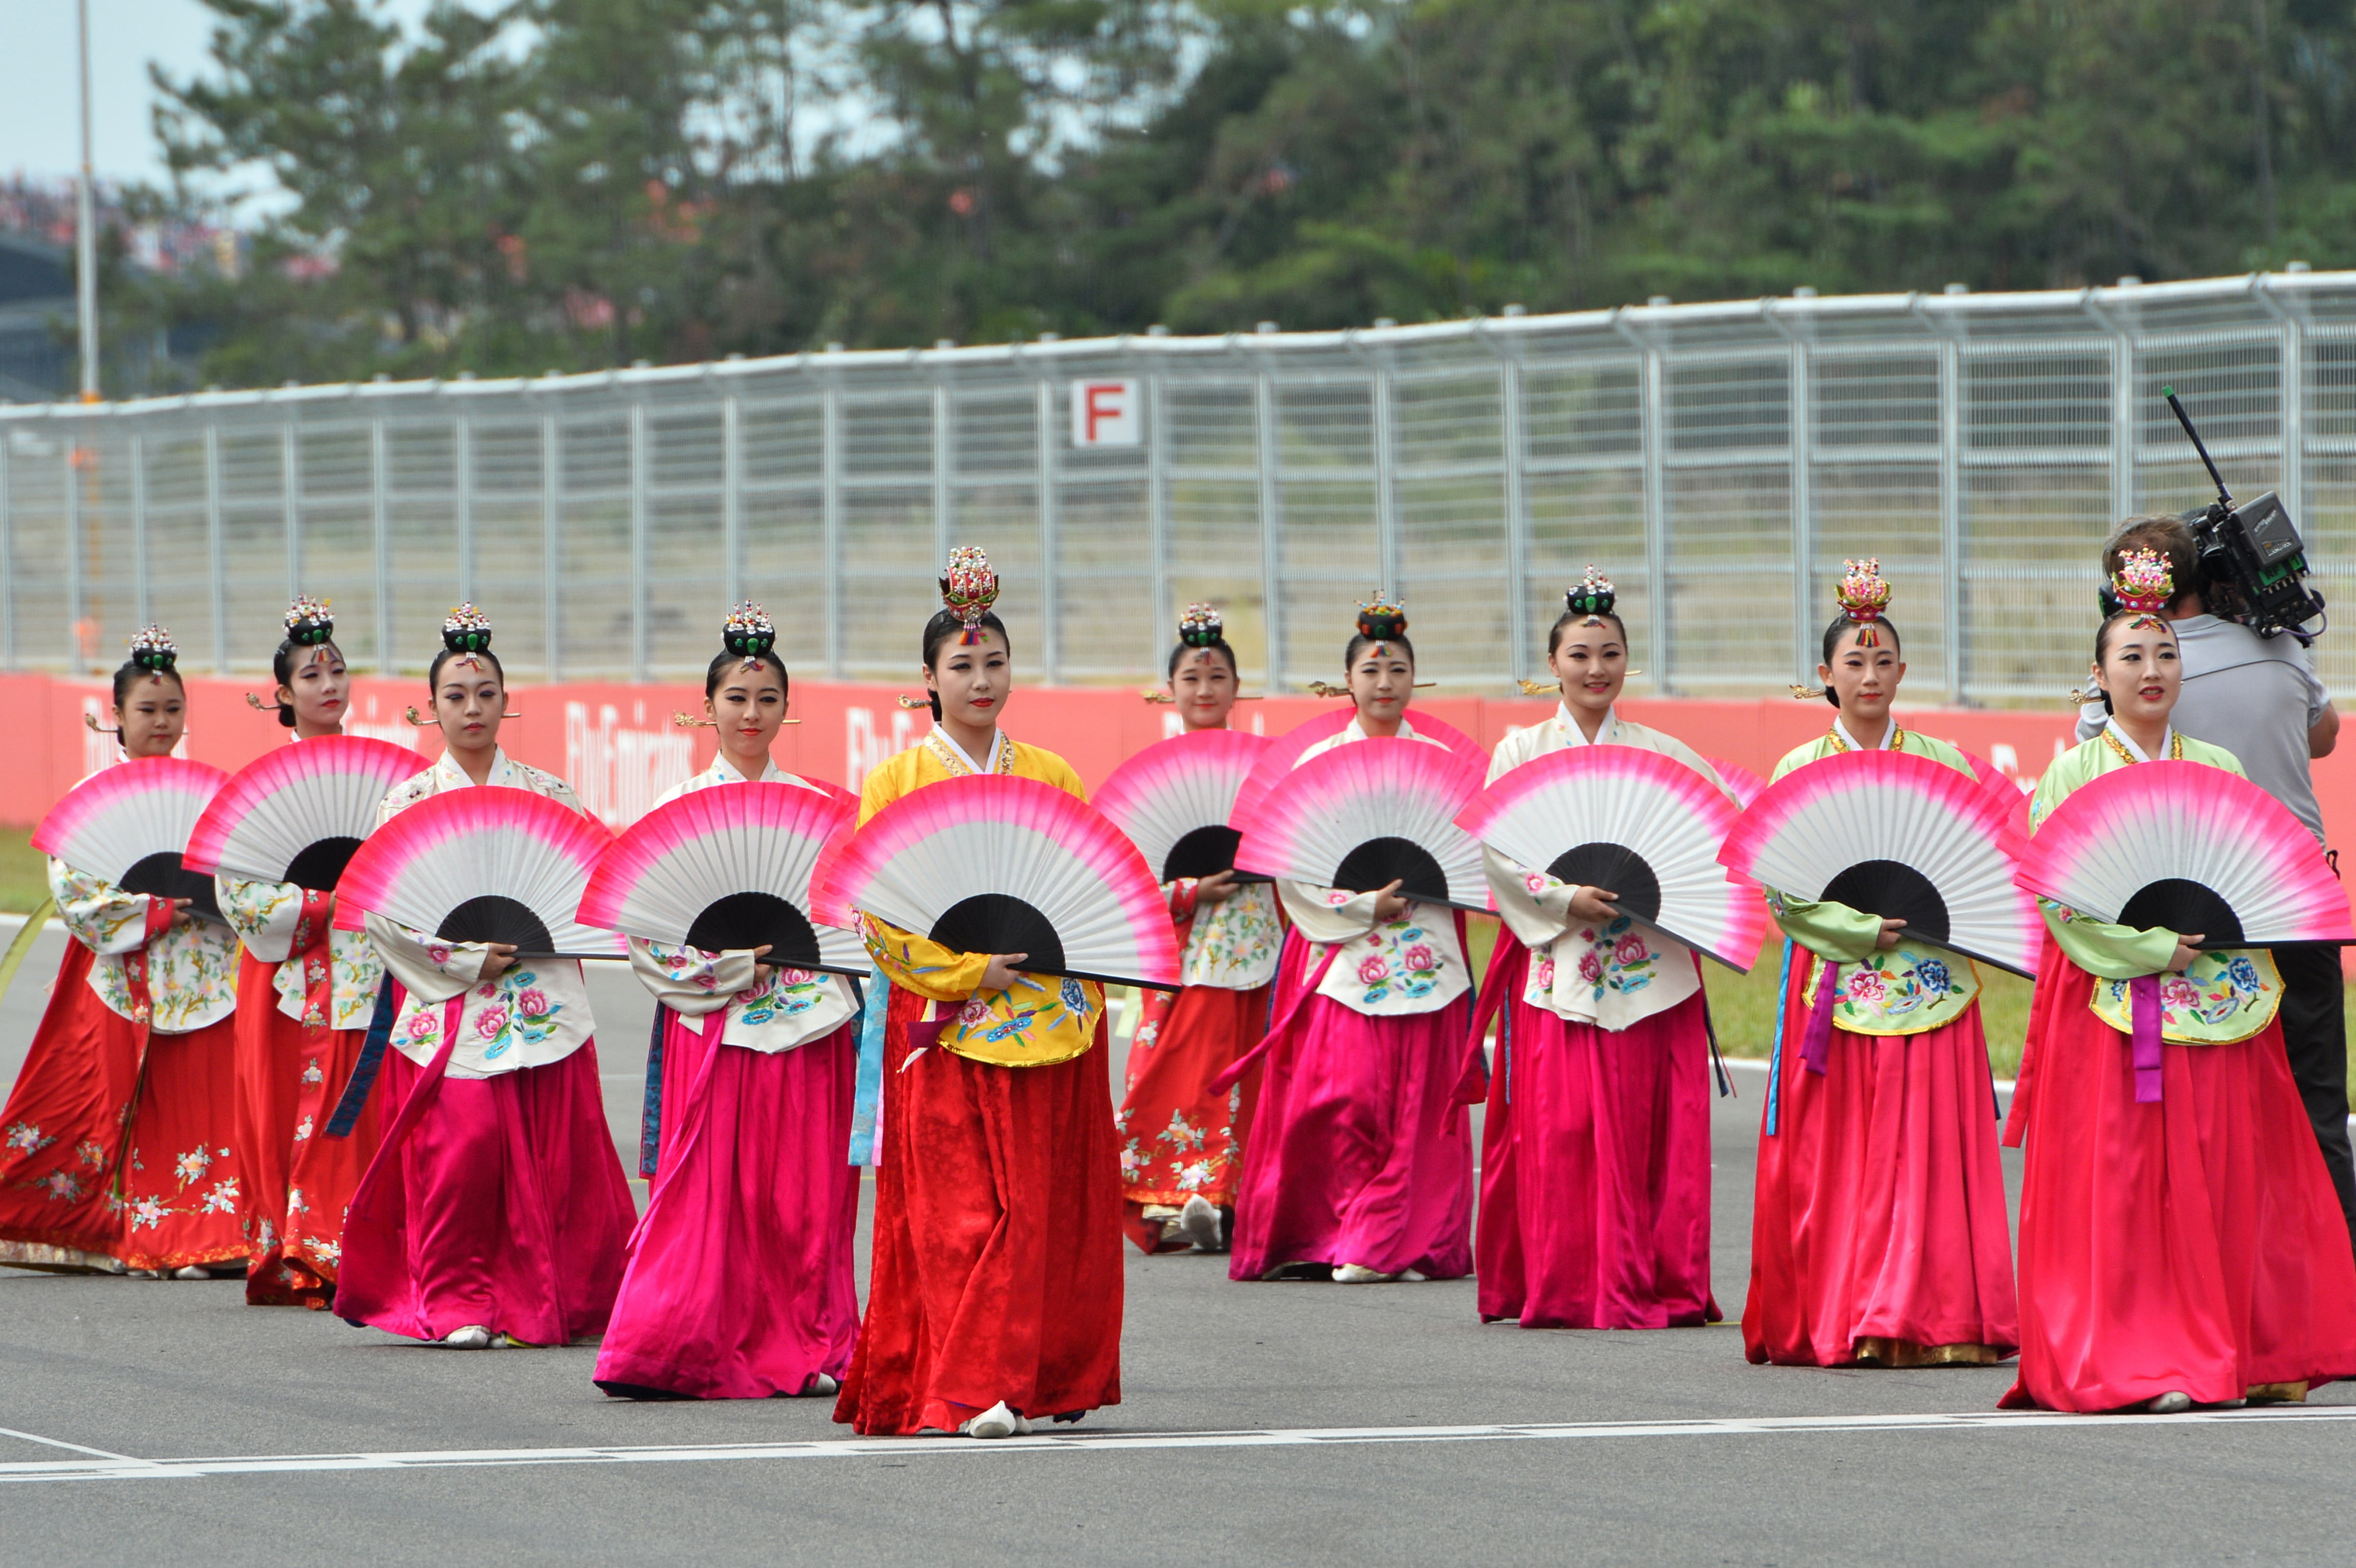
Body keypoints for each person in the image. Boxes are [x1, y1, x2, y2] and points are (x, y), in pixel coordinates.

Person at [2003, 552, 2356, 1411]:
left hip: (2221, 1003)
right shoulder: (2070, 777)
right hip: (2115, 1007)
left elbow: (2258, 881)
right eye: (2131, 655)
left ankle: (2236, 1346)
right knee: (2129, 1188)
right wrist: (2150, 951)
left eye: (2164, 654)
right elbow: (2065, 912)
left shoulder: (2218, 768)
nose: (2152, 671)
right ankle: (2142, 1358)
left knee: (2225, 1175)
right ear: (2098, 676)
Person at [833, 548, 1123, 1439]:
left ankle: (1041, 1373)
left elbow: (1091, 895)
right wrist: (967, 974)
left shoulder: (1051, 775)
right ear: (928, 679)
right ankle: (963, 1385)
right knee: (958, 1214)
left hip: (1046, 1021)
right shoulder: (895, 783)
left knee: (1040, 1208)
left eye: (994, 662)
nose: (981, 679)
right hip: (940, 1024)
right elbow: (877, 920)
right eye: (962, 665)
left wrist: (1035, 966)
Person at [334, 605, 634, 1349]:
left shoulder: (550, 795)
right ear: (429, 709)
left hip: (540, 1000)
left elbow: (592, 890)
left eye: (487, 694)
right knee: (460, 1154)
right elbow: (381, 913)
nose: (473, 708)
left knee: (552, 1153)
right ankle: (461, 1299)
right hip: (452, 1004)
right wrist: (466, 959)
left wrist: (538, 939)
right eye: (457, 697)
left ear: (507, 702)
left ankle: (554, 1298)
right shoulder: (405, 805)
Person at [1746, 561, 2018, 1368]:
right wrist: (1861, 930)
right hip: (1835, 989)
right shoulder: (1798, 771)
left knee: (1930, 1157)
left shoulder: (1946, 763)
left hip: (1932, 989)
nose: (1869, 675)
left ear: (1903, 671)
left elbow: (1986, 871)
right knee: (1844, 1160)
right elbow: (1787, 901)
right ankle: (1850, 1306)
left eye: (1883, 661)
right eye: (1853, 663)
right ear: (1824, 678)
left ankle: (1934, 1314)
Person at [593, 605, 862, 1401]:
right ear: (706, 710)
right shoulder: (672, 811)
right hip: (711, 1027)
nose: (752, 715)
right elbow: (645, 938)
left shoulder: (824, 813)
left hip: (811, 1028)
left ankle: (810, 1341)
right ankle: (681, 1342)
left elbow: (852, 924)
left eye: (768, 700)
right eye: (737, 700)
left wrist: (809, 965)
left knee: (803, 1198)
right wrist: (729, 968)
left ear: (787, 710)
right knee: (708, 1196)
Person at [2073, 514, 2354, 1264]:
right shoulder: (2285, 650)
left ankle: (2215, 1270)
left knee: (2220, 1111)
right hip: (2297, 903)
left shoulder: (2128, 676)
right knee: (2318, 1102)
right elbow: (2323, 737)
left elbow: (2092, 771)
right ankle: (2336, 1284)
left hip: (2188, 924)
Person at [1468, 569, 1727, 1329]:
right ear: (1553, 664)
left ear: (1627, 663)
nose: (1595, 669)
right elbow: (1499, 855)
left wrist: (1661, 899)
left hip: (1648, 973)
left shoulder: (1667, 755)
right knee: (1563, 1130)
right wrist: (1561, 898)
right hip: (1559, 962)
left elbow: (1713, 845)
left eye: (1610, 653)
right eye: (1580, 654)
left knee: (1651, 1132)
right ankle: (1568, 1280)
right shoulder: (1519, 754)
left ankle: (1655, 1277)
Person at [1226, 597, 1477, 1286]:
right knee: (1349, 1100)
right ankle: (1340, 1232)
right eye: (1371, 669)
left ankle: (1413, 1241)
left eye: (1398, 668)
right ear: (1347, 682)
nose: (1385, 681)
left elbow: (1481, 864)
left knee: (1425, 1113)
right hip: (1344, 958)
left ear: (1415, 680)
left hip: (1429, 958)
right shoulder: (1317, 763)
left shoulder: (1442, 764)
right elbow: (1296, 874)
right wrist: (1364, 904)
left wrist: (1432, 888)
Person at [0, 627, 247, 1279]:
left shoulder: (213, 799)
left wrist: (215, 902)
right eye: (146, 711)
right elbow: (76, 893)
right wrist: (156, 908)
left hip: (204, 974)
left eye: (172, 711)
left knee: (203, 1101)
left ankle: (205, 1226)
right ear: (115, 717)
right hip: (121, 973)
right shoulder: (88, 800)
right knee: (116, 1103)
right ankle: (131, 1228)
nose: (161, 723)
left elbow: (241, 879)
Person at [216, 596, 387, 1308]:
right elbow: (240, 900)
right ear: (284, 695)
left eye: (338, 671)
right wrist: (324, 903)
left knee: (367, 1108)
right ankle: (297, 1247)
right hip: (288, 975)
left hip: (371, 971)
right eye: (312, 677)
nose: (329, 685)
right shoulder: (256, 793)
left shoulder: (387, 783)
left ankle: (362, 1245)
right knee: (289, 1109)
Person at [1115, 604, 1284, 1255]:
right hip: (1175, 946)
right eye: (1191, 678)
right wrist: (1190, 888)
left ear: (1238, 690)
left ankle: (1228, 1196)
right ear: (1170, 690)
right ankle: (1162, 1197)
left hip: (1251, 942)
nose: (1205, 690)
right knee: (1170, 1070)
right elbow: (1125, 883)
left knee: (1237, 1070)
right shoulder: (1150, 781)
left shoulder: (1267, 771)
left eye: (1217, 678)